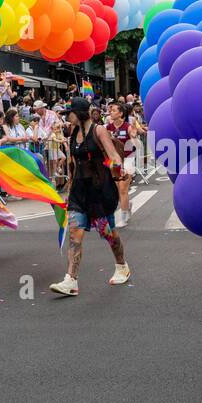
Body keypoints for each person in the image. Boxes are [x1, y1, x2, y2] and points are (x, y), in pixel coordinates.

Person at [49, 96, 129, 295]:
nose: (69, 117)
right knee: (75, 234)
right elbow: (75, 165)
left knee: (107, 233)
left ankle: (122, 266)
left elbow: (113, 156)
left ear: (81, 113)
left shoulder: (98, 130)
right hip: (79, 191)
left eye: (71, 113)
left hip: (100, 192)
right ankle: (71, 280)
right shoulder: (72, 133)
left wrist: (119, 169)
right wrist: (69, 190)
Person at [106, 100, 136, 227]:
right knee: (118, 188)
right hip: (113, 161)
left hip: (128, 160)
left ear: (120, 113)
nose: (110, 112)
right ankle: (127, 205)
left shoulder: (127, 126)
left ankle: (123, 217)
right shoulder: (107, 128)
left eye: (113, 110)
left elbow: (134, 140)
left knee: (123, 188)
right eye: (110, 110)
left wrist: (134, 137)